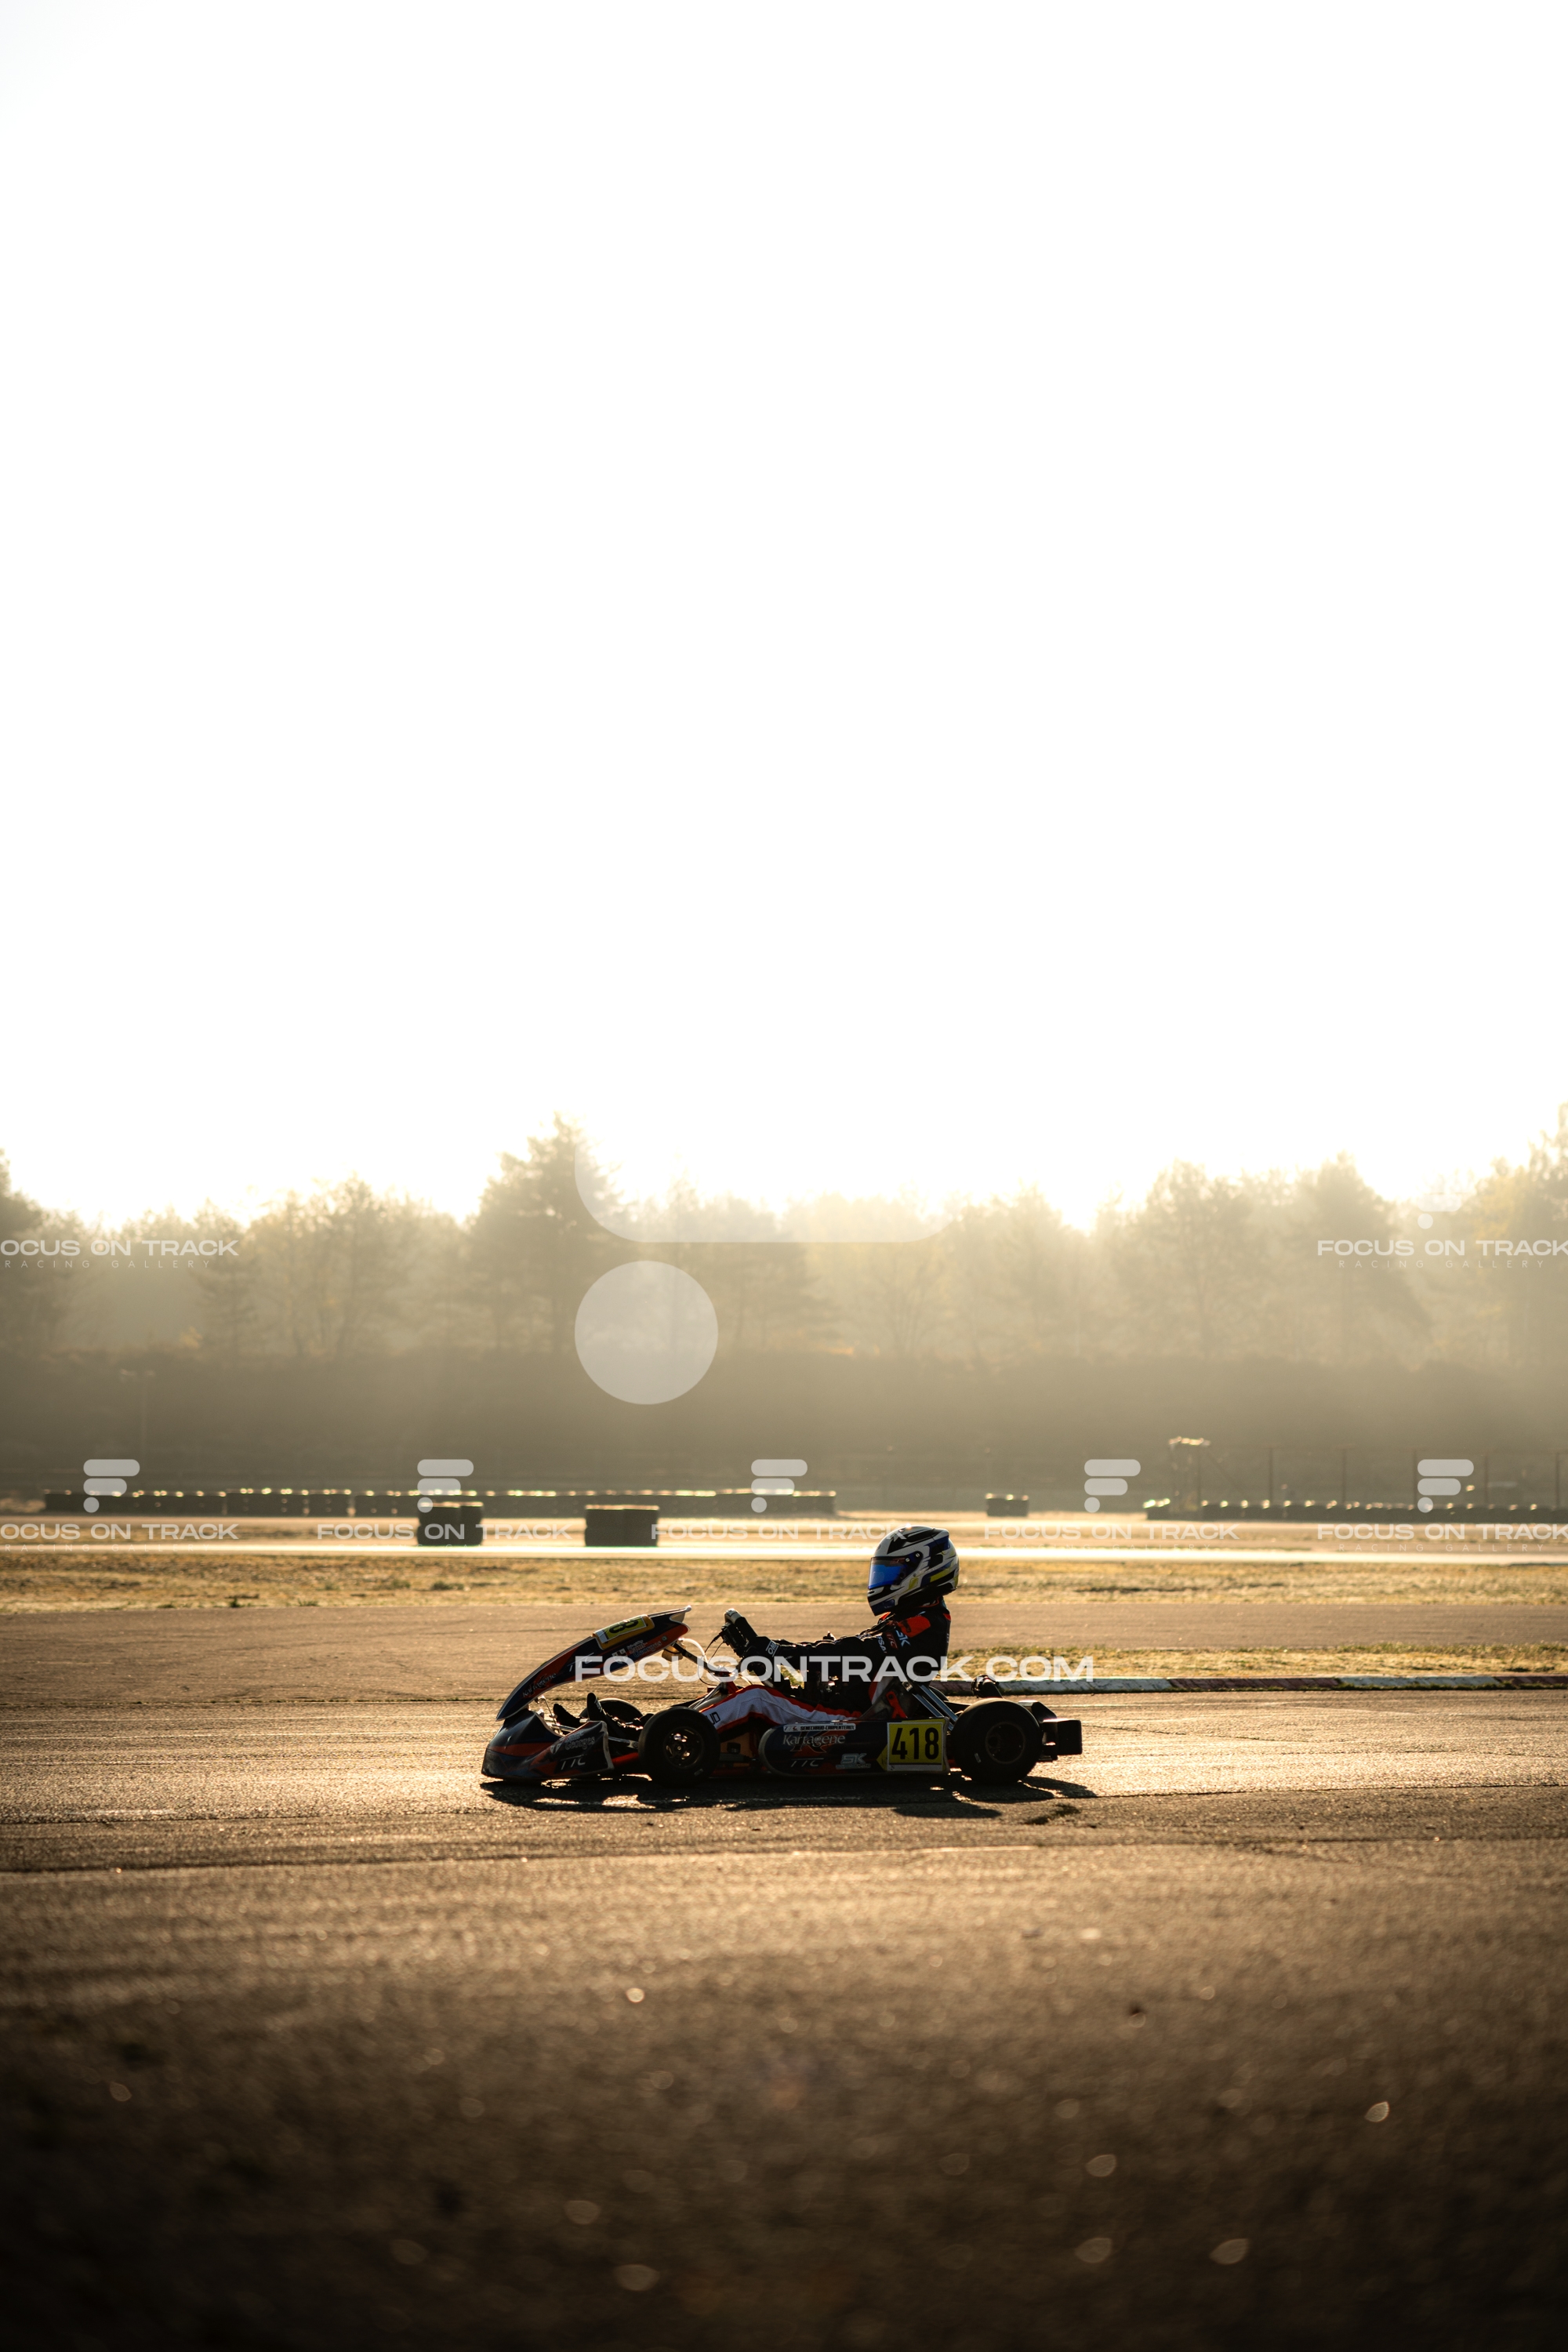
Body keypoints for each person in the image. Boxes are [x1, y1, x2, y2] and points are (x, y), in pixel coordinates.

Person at [706, 1523, 960, 1733]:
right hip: (838, 1705)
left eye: (892, 1571)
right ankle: (693, 1726)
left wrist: (783, 1653)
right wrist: (781, 1650)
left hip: (854, 1719)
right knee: (731, 1692)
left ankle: (690, 1730)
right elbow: (848, 1652)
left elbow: (853, 1653)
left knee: (755, 1699)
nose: (884, 1580)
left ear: (924, 1570)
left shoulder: (924, 1624)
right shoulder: (906, 1618)